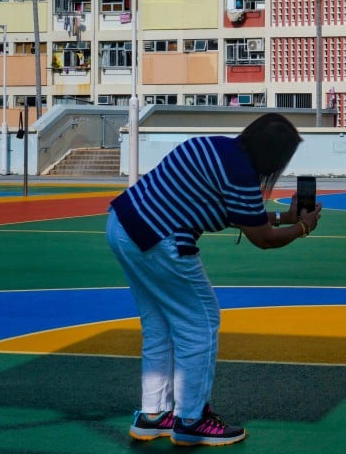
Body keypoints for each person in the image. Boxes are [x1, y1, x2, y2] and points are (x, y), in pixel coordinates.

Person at [106, 113, 323, 446]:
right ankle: (191, 420)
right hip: (160, 239)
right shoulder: (241, 174)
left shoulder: (212, 147)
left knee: (159, 325)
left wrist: (285, 217)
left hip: (123, 225)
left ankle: (153, 415)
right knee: (201, 322)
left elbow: (236, 213)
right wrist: (303, 227)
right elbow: (263, 238)